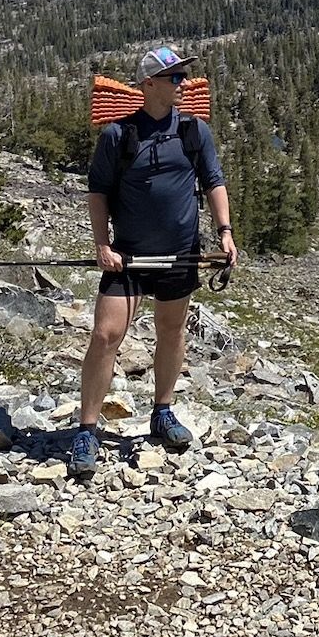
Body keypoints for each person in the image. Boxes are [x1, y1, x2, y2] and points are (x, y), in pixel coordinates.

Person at [68, 43, 236, 479]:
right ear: (148, 84)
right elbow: (98, 193)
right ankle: (87, 429)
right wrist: (101, 244)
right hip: (128, 255)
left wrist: (225, 232)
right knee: (106, 335)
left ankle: (163, 410)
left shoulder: (194, 131)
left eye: (183, 77)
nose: (182, 84)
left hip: (182, 251)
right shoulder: (118, 135)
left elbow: (213, 181)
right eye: (174, 78)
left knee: (172, 329)